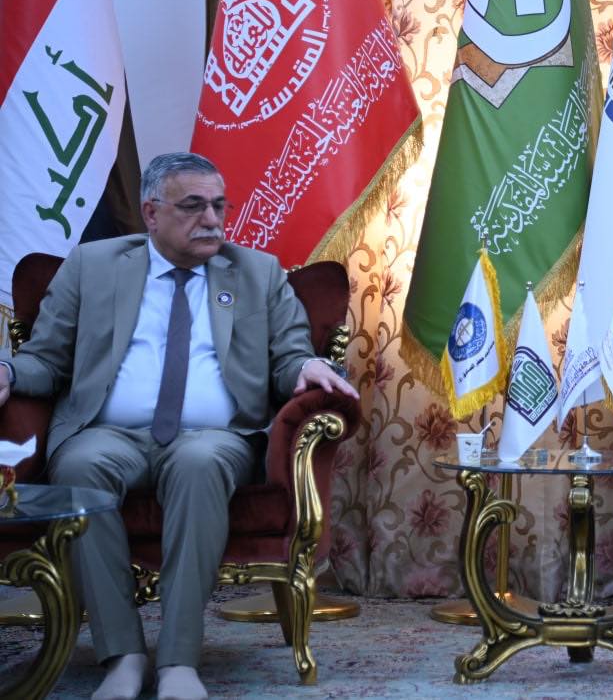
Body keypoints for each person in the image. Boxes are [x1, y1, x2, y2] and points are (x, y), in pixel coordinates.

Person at [0, 153, 357, 700]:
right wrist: (7, 371)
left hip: (216, 437)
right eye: (193, 206)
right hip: (107, 433)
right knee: (81, 465)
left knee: (197, 462)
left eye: (218, 206)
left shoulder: (257, 272)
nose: (211, 220)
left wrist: (308, 366)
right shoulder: (92, 266)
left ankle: (178, 661)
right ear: (151, 212)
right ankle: (122, 656)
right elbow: (46, 361)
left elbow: (288, 358)